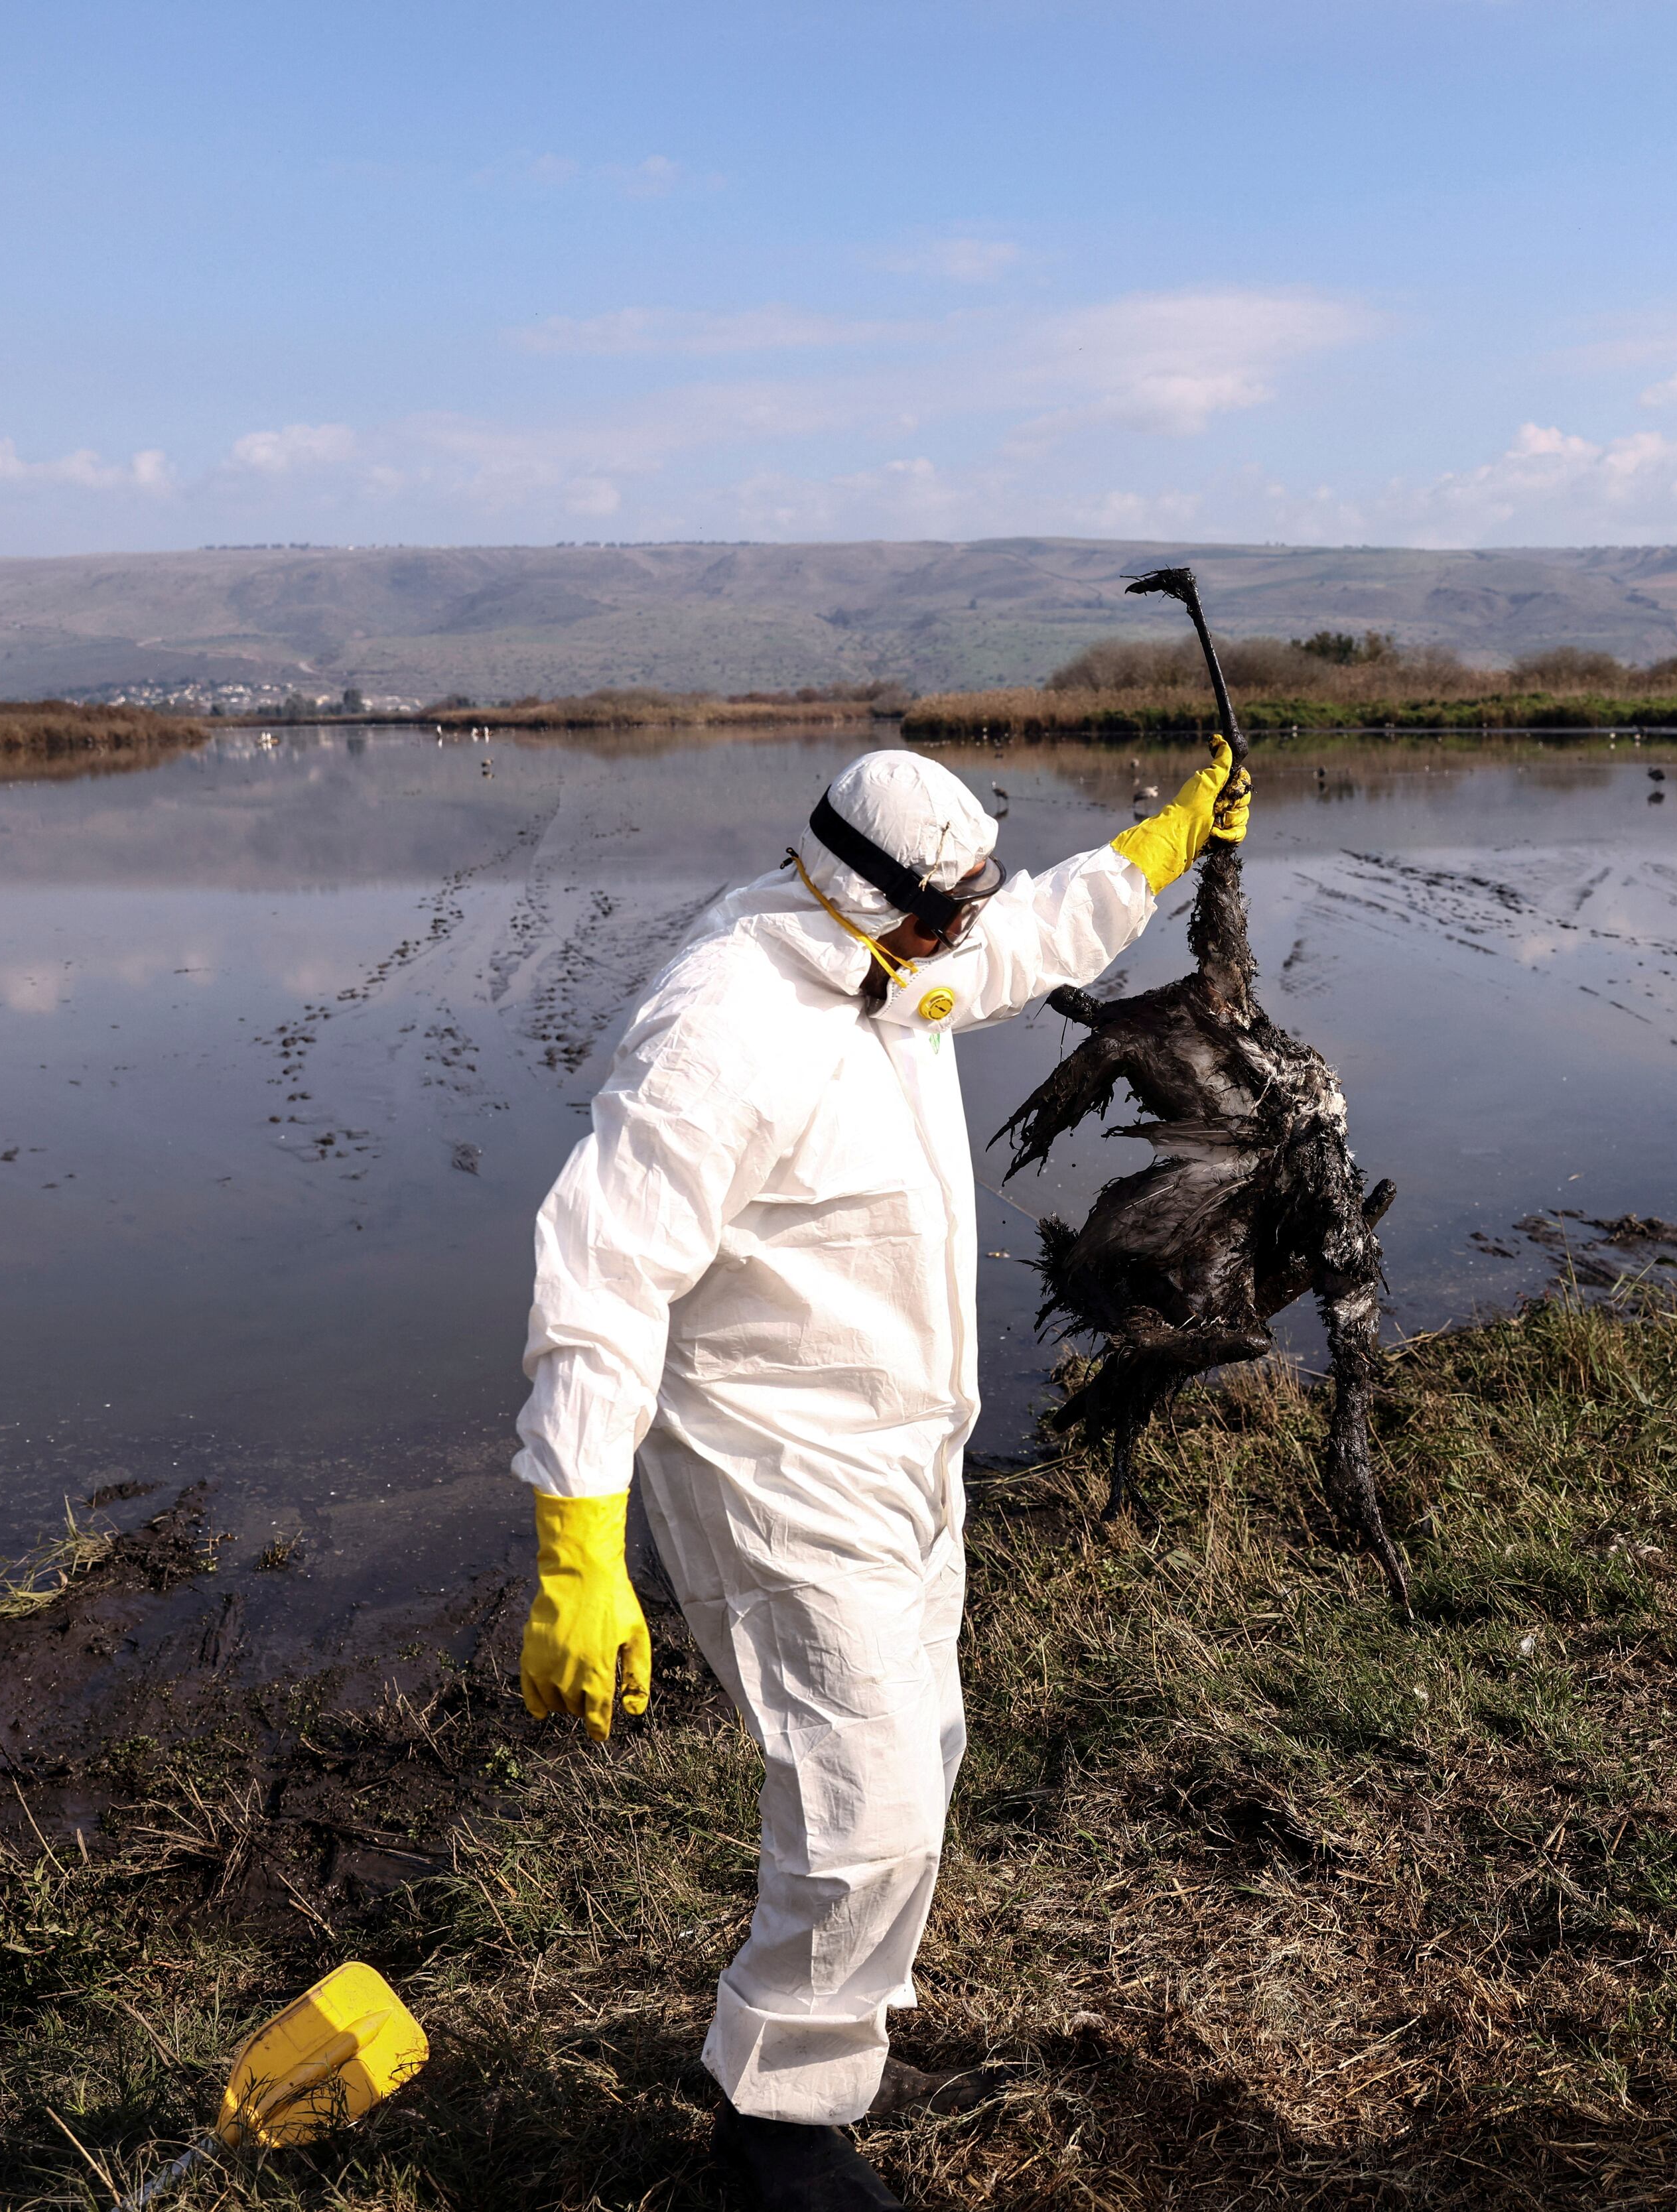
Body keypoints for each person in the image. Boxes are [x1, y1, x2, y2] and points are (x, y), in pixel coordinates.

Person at [510, 741, 1246, 2210]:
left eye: (967, 904)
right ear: (866, 889)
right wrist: (577, 1542)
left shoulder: (886, 953)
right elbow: (598, 1284)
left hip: (906, 1446)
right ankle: (773, 2132)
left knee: (925, 1751)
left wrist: (1153, 854)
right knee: (866, 1801)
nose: (962, 933)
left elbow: (1000, 957)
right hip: (771, 1471)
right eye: (943, 910)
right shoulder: (716, 1030)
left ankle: (832, 2049)